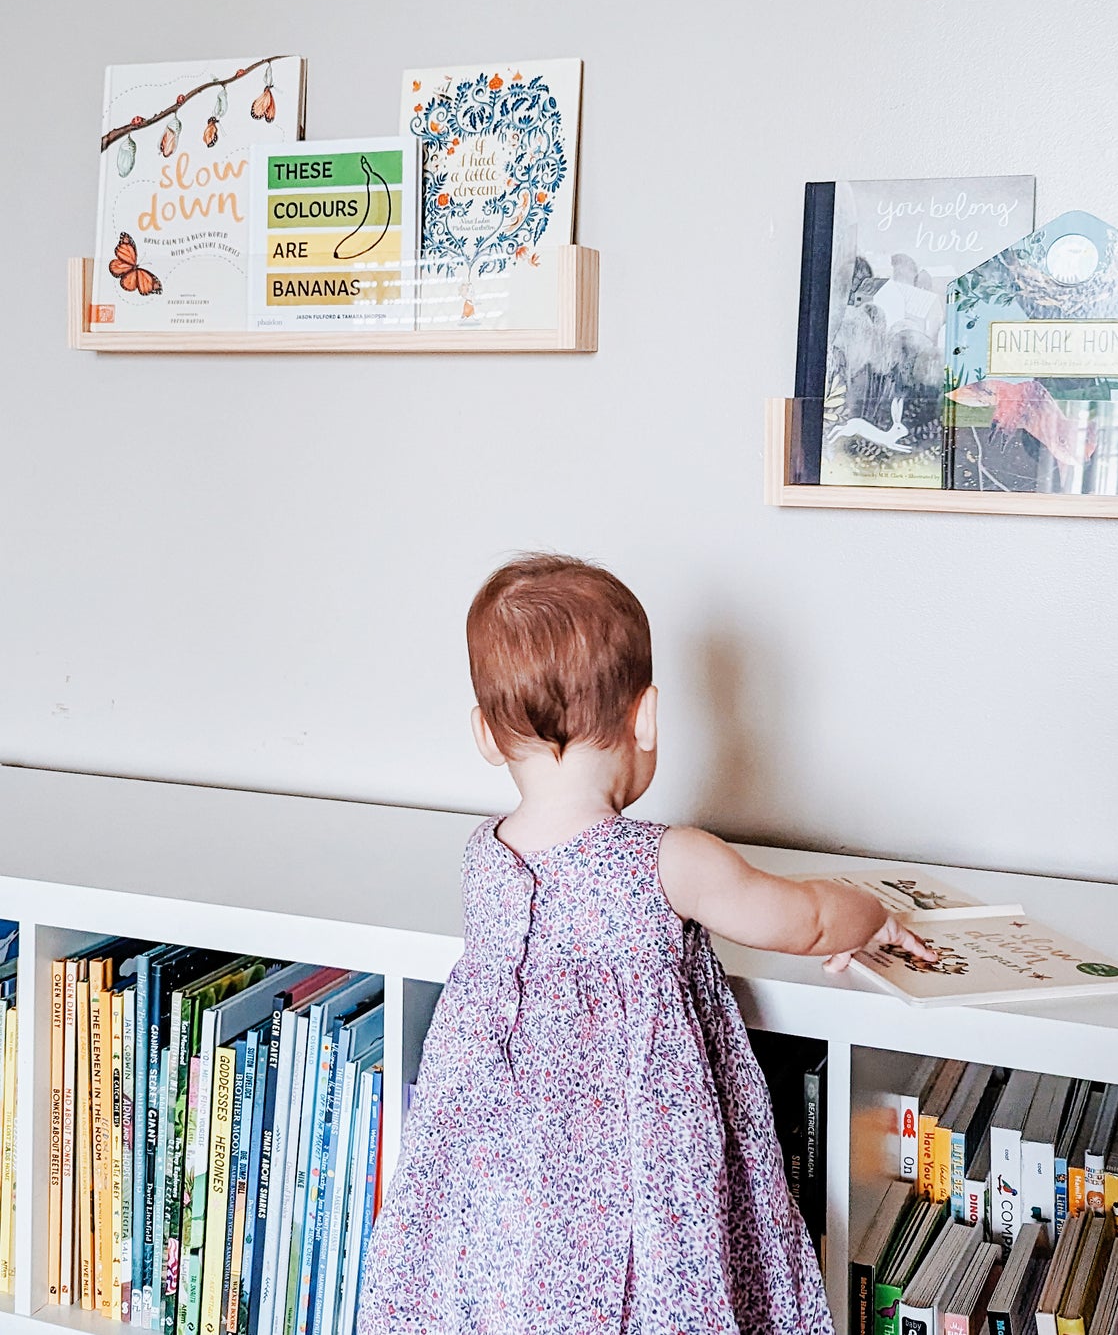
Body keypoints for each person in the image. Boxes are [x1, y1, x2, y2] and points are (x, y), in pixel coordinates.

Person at [357, 553, 931, 1334]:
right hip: (632, 1181)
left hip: (504, 1187)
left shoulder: (481, 856)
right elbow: (803, 921)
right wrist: (870, 910)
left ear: (485, 738)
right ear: (647, 716)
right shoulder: (667, 859)